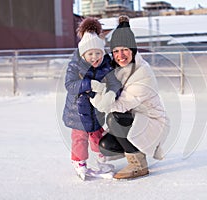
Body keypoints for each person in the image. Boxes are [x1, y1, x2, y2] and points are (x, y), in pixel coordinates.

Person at [91, 15, 170, 180]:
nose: (120, 55)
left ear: (133, 50)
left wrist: (98, 100)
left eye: (125, 49)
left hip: (152, 120)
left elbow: (121, 105)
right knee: (106, 145)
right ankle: (134, 150)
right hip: (134, 118)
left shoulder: (142, 72)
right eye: (116, 51)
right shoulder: (117, 69)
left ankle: (138, 165)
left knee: (114, 118)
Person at [62, 17, 121, 180]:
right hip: (77, 110)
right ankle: (79, 162)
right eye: (90, 54)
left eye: (98, 53)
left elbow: (115, 82)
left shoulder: (107, 64)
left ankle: (101, 159)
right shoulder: (75, 65)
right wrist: (90, 85)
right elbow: (70, 85)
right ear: (83, 54)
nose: (94, 57)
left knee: (97, 135)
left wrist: (111, 93)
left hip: (96, 109)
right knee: (79, 137)